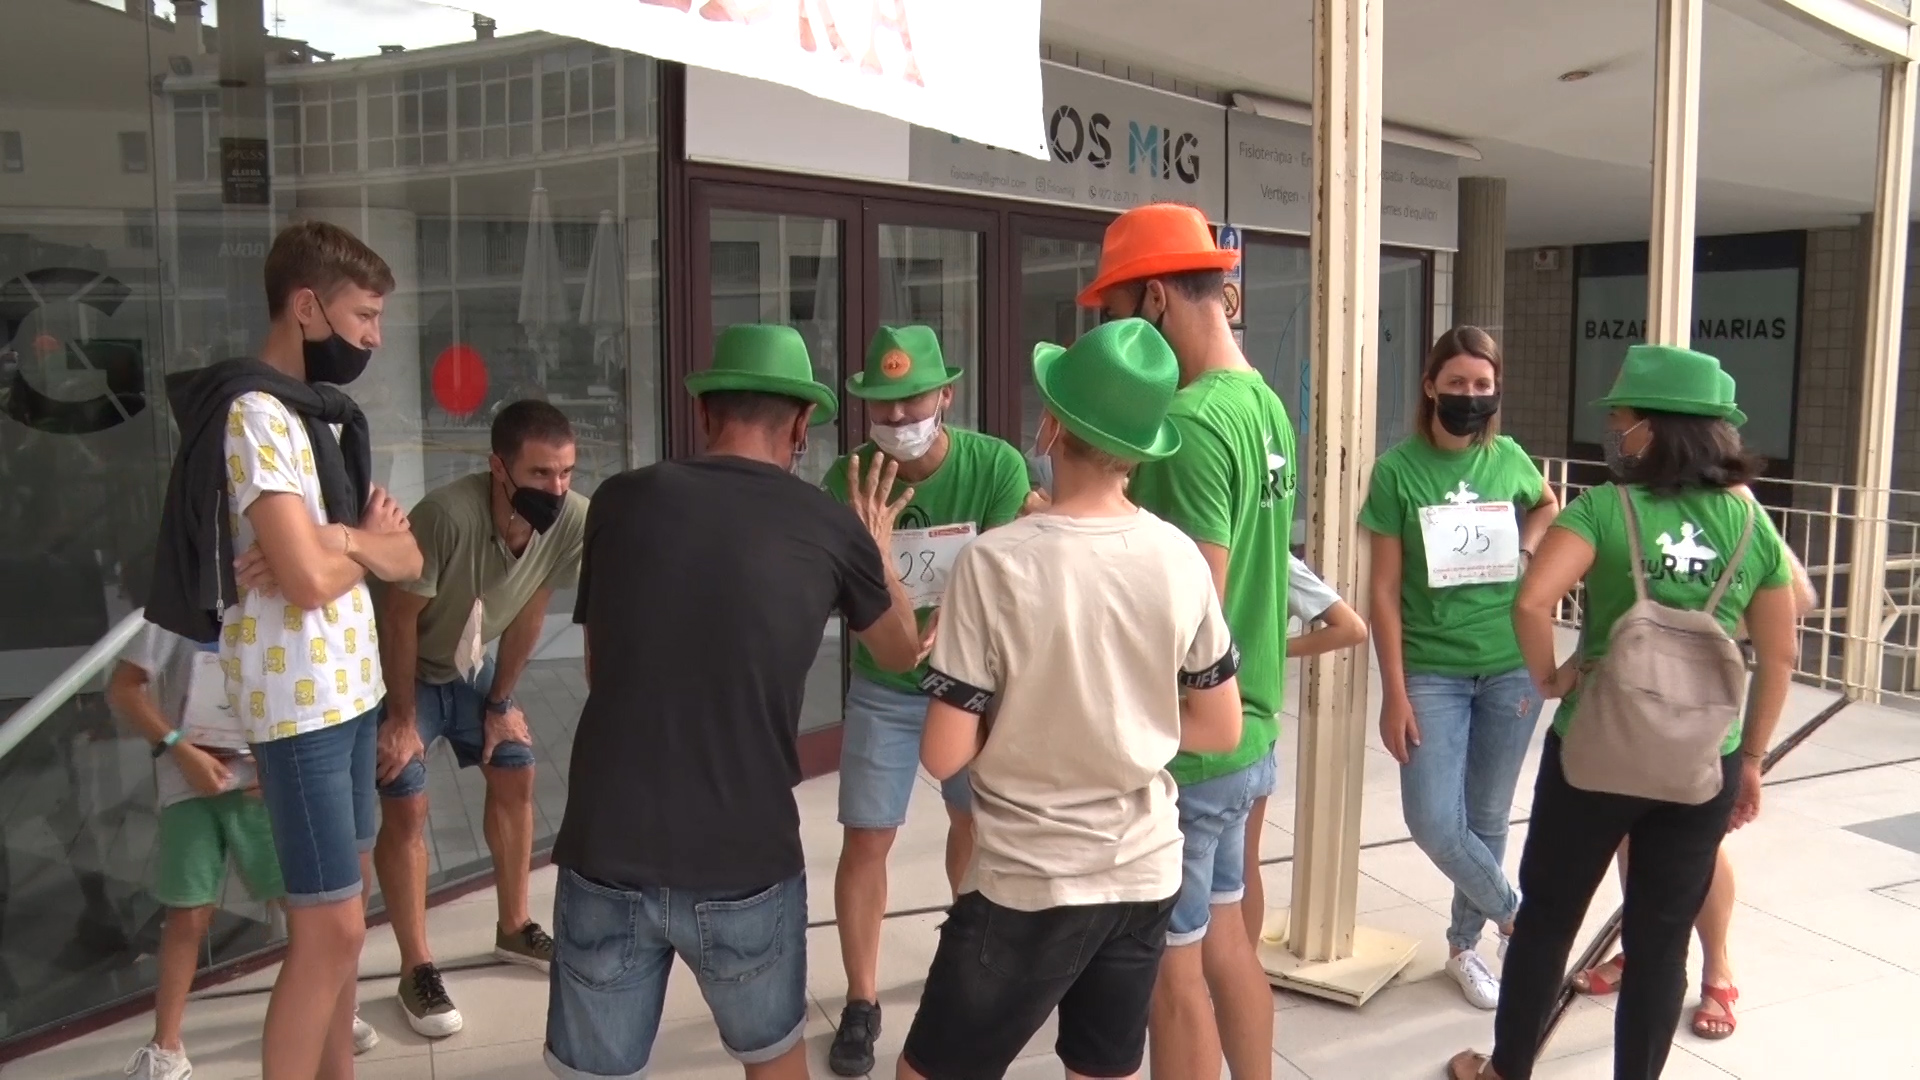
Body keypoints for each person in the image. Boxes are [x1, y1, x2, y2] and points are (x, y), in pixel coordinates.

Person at [544, 324, 927, 1080]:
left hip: (607, 843)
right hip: (746, 854)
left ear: (704, 412)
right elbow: (900, 651)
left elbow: (598, 667)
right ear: (801, 424)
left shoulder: (620, 502)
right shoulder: (830, 526)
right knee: (773, 1062)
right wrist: (878, 555)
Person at [896, 318, 1245, 1080]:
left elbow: (943, 752)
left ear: (1051, 424)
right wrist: (1122, 728)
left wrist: (1029, 724)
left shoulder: (994, 563)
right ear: (1142, 450)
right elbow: (1221, 726)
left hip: (1028, 877)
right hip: (1145, 872)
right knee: (1100, 1070)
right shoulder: (1180, 557)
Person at [1449, 345, 1800, 1080]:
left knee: (1548, 921)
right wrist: (1752, 760)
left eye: (1623, 419)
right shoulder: (1752, 526)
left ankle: (1507, 1069)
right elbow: (1782, 652)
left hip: (1594, 750)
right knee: (1661, 941)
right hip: (1702, 761)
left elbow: (1531, 601)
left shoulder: (1604, 509)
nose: (1615, 431)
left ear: (1656, 427)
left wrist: (1552, 677)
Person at [145, 220, 424, 1080]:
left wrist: (338, 539)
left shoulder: (321, 419)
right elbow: (304, 580)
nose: (375, 337)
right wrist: (355, 546)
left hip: (353, 694)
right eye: (364, 316)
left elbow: (409, 558)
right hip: (300, 706)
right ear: (307, 307)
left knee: (347, 922)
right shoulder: (255, 414)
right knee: (327, 929)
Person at [1094, 202, 1290, 1080]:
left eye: (1116, 314)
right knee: (1227, 942)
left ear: (1158, 298)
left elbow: (1189, 609)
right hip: (1250, 730)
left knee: (1172, 979)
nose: (1116, 340)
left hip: (1191, 742)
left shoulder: (1190, 423)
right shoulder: (1263, 404)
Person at [821, 325, 1029, 1076]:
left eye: (914, 402)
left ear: (946, 394)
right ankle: (861, 1000)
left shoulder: (995, 466)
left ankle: (970, 963)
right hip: (885, 684)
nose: (899, 419)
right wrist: (893, 602)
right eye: (884, 406)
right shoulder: (846, 479)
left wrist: (953, 624)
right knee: (867, 837)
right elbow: (853, 598)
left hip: (972, 684)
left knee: (974, 821)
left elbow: (1007, 574)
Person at [1570, 421, 1817, 1042]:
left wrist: (1707, 629)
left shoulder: (1734, 503)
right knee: (1634, 837)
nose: (1623, 435)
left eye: (1633, 423)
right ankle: (1639, 948)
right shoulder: (1630, 501)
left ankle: (1717, 969)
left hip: (1696, 713)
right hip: (1629, 705)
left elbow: (1798, 600)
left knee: (1695, 850)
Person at [372, 400, 588, 1037]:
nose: (557, 488)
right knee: (406, 796)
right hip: (401, 669)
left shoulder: (571, 519)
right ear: (499, 467)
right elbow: (398, 620)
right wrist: (401, 719)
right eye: (541, 473)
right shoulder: (445, 517)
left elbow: (531, 607)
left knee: (516, 767)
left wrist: (499, 703)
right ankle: (416, 967)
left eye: (567, 472)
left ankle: (514, 926)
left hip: (467, 667)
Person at [1360, 326, 1559, 1010]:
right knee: (1434, 821)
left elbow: (1549, 502)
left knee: (1489, 815)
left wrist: (1528, 549)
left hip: (1511, 666)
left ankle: (1465, 947)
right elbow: (1384, 591)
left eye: (1483, 385)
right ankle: (1517, 915)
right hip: (1432, 671)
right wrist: (1393, 691)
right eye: (1457, 384)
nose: (1470, 396)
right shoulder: (1397, 471)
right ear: (1430, 387)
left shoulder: (1510, 458)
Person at [112, 619, 361, 1080]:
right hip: (188, 784)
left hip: (262, 783)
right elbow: (124, 689)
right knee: (187, 913)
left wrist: (282, 763)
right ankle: (165, 1045)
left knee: (308, 909)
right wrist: (179, 748)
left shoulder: (275, 599)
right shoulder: (170, 609)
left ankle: (332, 1016)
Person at [1241, 556, 1370, 946]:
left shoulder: (1269, 555)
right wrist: (1270, 650)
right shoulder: (1272, 552)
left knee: (1227, 868)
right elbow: (1351, 627)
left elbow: (1352, 628)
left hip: (1221, 731)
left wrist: (1272, 649)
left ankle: (1229, 967)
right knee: (1241, 864)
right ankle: (1239, 965)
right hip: (1254, 728)